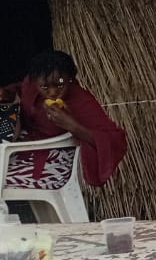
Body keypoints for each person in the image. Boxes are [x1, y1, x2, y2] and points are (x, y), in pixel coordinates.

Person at [0, 50, 127, 189]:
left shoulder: (81, 101)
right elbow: (21, 90)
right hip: (23, 145)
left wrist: (73, 126)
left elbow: (114, 139)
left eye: (60, 85)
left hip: (55, 159)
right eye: (45, 87)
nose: (53, 92)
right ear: (35, 82)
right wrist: (8, 92)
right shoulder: (31, 86)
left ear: (70, 79)